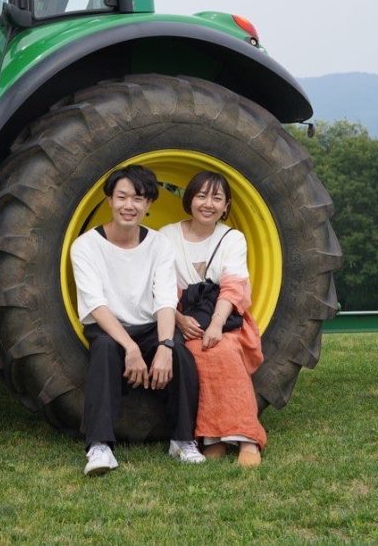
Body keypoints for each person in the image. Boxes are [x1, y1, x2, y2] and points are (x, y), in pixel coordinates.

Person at [70, 165, 203, 476]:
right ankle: (100, 446)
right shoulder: (86, 246)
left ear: (149, 206)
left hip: (151, 327)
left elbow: (166, 300)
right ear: (109, 201)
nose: (129, 206)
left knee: (182, 354)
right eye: (122, 197)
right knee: (104, 351)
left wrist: (166, 346)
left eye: (138, 199)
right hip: (109, 327)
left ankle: (183, 440)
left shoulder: (159, 245)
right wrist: (129, 348)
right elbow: (97, 304)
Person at [158, 170, 267, 467]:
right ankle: (212, 437)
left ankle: (246, 438)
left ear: (226, 205)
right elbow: (158, 286)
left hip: (223, 317)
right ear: (189, 198)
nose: (208, 204)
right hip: (181, 317)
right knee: (193, 352)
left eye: (217, 198)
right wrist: (179, 320)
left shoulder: (233, 238)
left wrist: (216, 325)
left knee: (225, 350)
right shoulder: (166, 236)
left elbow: (233, 287)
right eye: (202, 195)